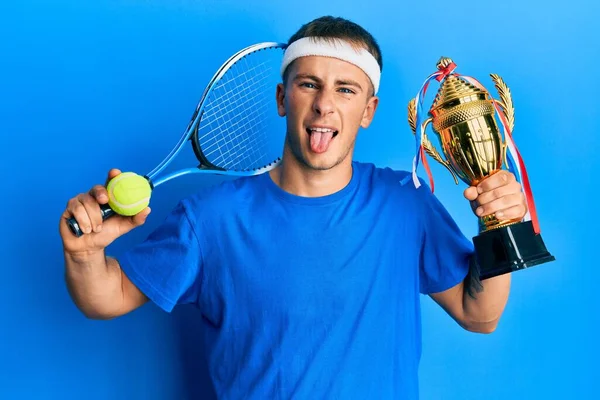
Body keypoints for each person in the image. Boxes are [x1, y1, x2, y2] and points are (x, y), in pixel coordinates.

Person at [60, 16, 527, 399]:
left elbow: (479, 315)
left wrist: (499, 224)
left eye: (346, 89)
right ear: (284, 98)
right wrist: (84, 256)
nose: (325, 105)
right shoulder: (211, 219)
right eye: (309, 84)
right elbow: (108, 297)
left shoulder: (406, 201)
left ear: (368, 111)